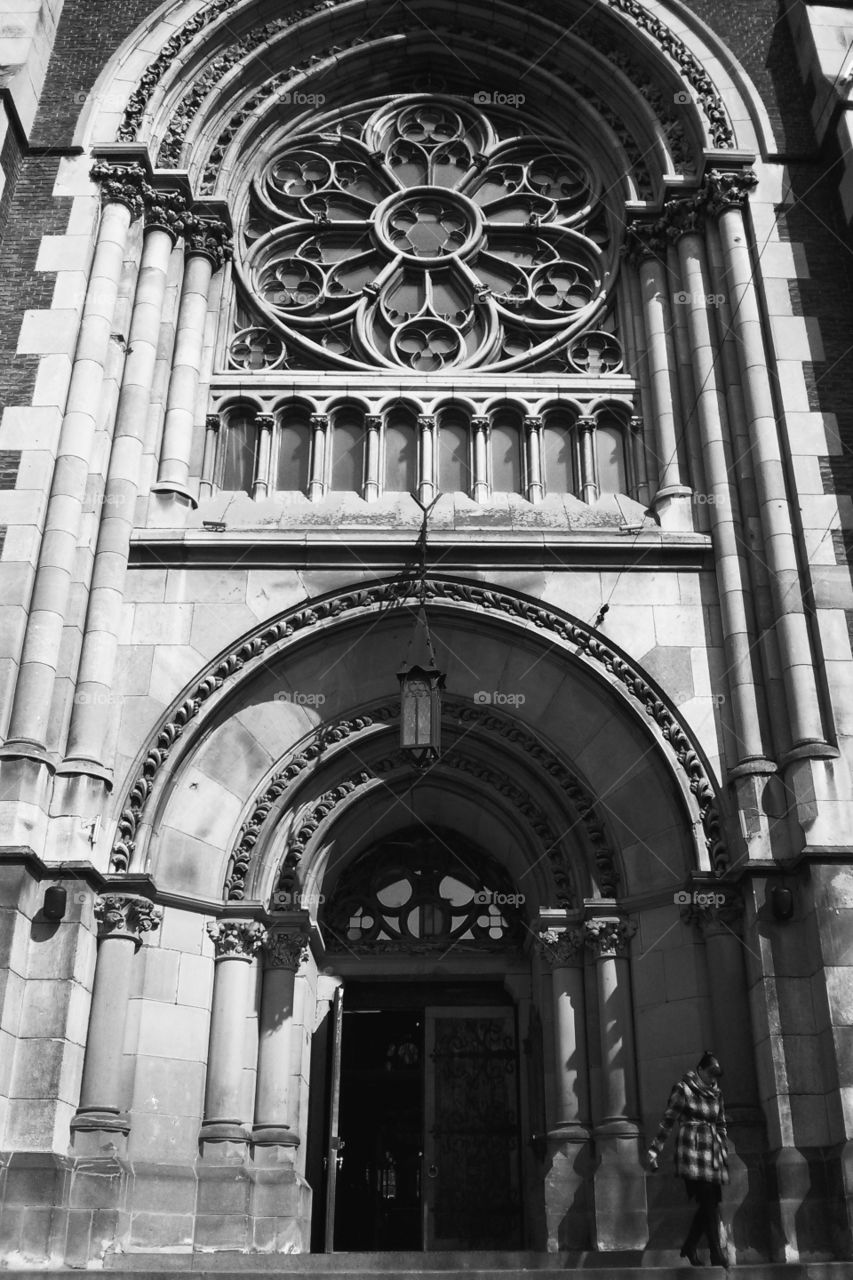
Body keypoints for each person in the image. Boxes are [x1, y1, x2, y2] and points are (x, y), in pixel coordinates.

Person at [646, 1050, 731, 1268]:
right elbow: (668, 1120)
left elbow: (721, 1124)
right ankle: (716, 1254)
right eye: (710, 1073)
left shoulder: (717, 1094)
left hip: (712, 1153)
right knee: (709, 1202)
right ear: (700, 1070)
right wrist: (655, 1149)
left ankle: (690, 1245)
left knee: (711, 1202)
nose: (713, 1079)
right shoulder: (683, 1089)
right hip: (692, 1152)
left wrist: (722, 1149)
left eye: (716, 1075)